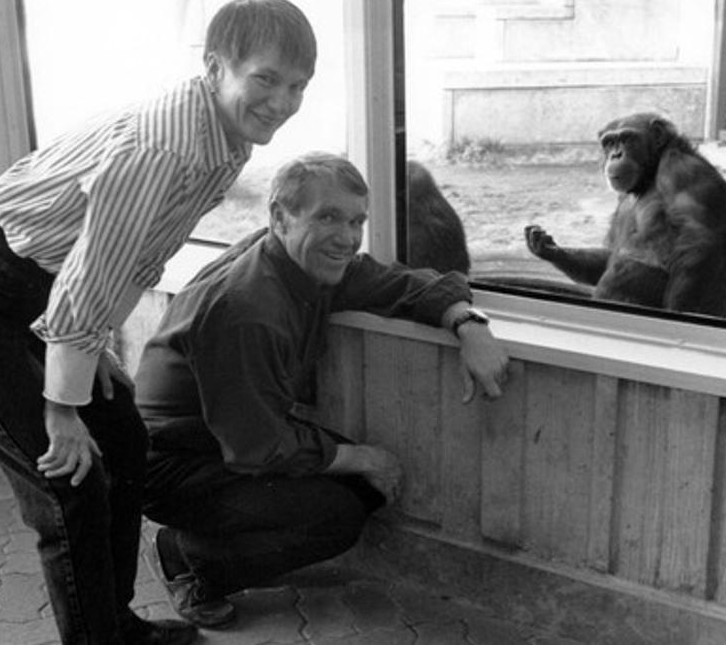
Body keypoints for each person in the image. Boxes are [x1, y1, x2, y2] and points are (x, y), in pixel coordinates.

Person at [0, 0, 316, 645]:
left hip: (29, 291)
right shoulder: (167, 146)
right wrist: (61, 408)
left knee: (120, 436)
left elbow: (135, 256)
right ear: (216, 66)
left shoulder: (226, 136)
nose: (283, 101)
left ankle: (115, 626)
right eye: (265, 78)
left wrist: (89, 358)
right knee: (67, 480)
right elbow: (92, 273)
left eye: (297, 86)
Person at [135, 153, 511, 629]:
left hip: (229, 435)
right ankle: (186, 558)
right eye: (328, 217)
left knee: (362, 489)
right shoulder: (249, 309)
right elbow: (257, 449)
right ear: (279, 216)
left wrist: (467, 324)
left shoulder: (306, 263)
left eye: (357, 221)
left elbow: (400, 283)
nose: (348, 238)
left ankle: (207, 542)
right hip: (173, 463)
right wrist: (366, 456)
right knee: (337, 518)